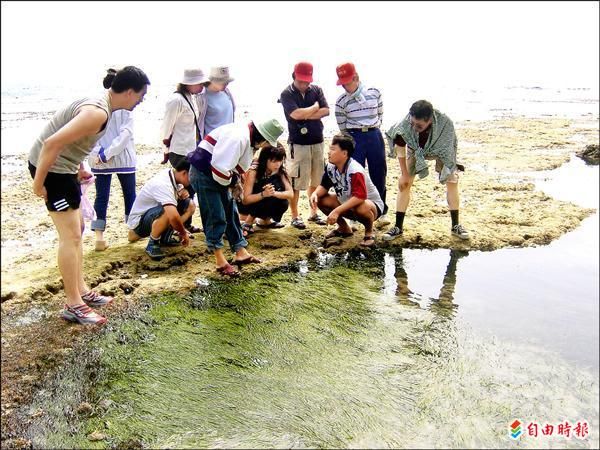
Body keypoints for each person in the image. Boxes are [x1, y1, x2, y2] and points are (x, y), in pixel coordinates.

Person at [28, 66, 150, 325]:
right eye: (141, 95)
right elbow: (52, 143)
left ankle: (82, 292)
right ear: (129, 92)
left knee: (78, 228)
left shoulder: (102, 106)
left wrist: (81, 168)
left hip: (65, 169)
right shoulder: (97, 112)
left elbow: (76, 141)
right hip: (51, 170)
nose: (141, 101)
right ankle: (73, 304)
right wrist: (38, 184)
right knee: (70, 236)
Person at [188, 119, 284, 277]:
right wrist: (233, 183)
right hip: (204, 173)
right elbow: (219, 169)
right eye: (267, 143)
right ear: (263, 139)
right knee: (215, 215)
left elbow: (228, 167)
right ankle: (220, 261)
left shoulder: (246, 136)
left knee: (231, 212)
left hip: (219, 174)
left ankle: (241, 252)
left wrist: (235, 182)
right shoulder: (238, 138)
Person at [383, 100, 469, 241]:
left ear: (430, 120)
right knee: (404, 184)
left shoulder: (445, 124)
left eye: (419, 125)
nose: (415, 127)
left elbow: (449, 147)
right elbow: (400, 147)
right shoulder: (405, 124)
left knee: (452, 181)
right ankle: (398, 227)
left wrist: (449, 168)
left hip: (440, 148)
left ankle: (456, 226)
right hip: (415, 148)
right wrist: (404, 174)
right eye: (413, 123)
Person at [334, 62, 389, 226]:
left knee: (379, 173)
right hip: (354, 137)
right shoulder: (341, 101)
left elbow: (380, 113)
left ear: (356, 77)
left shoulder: (374, 92)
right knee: (354, 175)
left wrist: (372, 128)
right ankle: (354, 214)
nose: (344, 85)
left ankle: (381, 211)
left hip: (373, 134)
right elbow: (342, 126)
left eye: (347, 81)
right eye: (341, 82)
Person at [279, 61, 330, 229]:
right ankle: (295, 215)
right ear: (294, 77)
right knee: (296, 182)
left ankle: (313, 213)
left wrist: (306, 114)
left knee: (316, 179)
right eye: (301, 81)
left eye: (307, 81)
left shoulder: (316, 90)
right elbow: (295, 114)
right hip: (298, 142)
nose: (304, 84)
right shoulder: (287, 93)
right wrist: (314, 108)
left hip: (318, 141)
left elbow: (326, 111)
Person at [310, 133, 384, 248]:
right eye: (330, 149)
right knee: (320, 199)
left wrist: (337, 211)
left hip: (371, 206)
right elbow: (324, 186)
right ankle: (344, 229)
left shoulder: (355, 170)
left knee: (361, 207)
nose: (329, 152)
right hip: (347, 202)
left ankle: (369, 232)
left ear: (344, 153)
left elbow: (360, 197)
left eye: (333, 149)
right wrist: (315, 194)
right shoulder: (331, 166)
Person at [160, 68, 208, 233]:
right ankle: (178, 224)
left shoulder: (189, 97)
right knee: (183, 187)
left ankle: (186, 223)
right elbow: (166, 127)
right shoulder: (176, 100)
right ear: (190, 83)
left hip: (190, 148)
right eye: (200, 83)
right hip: (179, 150)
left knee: (191, 187)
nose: (202, 86)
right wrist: (165, 150)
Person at [88, 103, 137, 252]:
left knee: (101, 197)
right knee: (129, 195)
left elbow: (89, 133)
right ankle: (133, 230)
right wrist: (107, 154)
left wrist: (101, 153)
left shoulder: (97, 106)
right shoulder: (127, 109)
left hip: (100, 159)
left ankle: (99, 238)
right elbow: (125, 135)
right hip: (123, 157)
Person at [127, 159, 194, 260]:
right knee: (169, 212)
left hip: (153, 215)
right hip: (139, 223)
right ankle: (153, 242)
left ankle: (165, 237)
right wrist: (182, 232)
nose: (194, 180)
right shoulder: (162, 184)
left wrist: (181, 190)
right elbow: (173, 216)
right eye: (192, 176)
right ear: (184, 173)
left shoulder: (172, 176)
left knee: (190, 205)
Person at [237, 143, 294, 236]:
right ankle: (248, 222)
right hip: (248, 204)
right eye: (274, 161)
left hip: (266, 200)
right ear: (265, 159)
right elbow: (245, 200)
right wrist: (263, 194)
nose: (278, 164)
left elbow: (290, 194)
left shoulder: (280, 171)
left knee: (282, 201)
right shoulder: (254, 171)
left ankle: (265, 220)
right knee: (264, 187)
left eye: (280, 160)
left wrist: (273, 193)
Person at [201, 65, 236, 136]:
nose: (226, 83)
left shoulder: (227, 92)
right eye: (222, 81)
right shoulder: (202, 96)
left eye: (227, 81)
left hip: (229, 139)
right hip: (212, 142)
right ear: (212, 81)